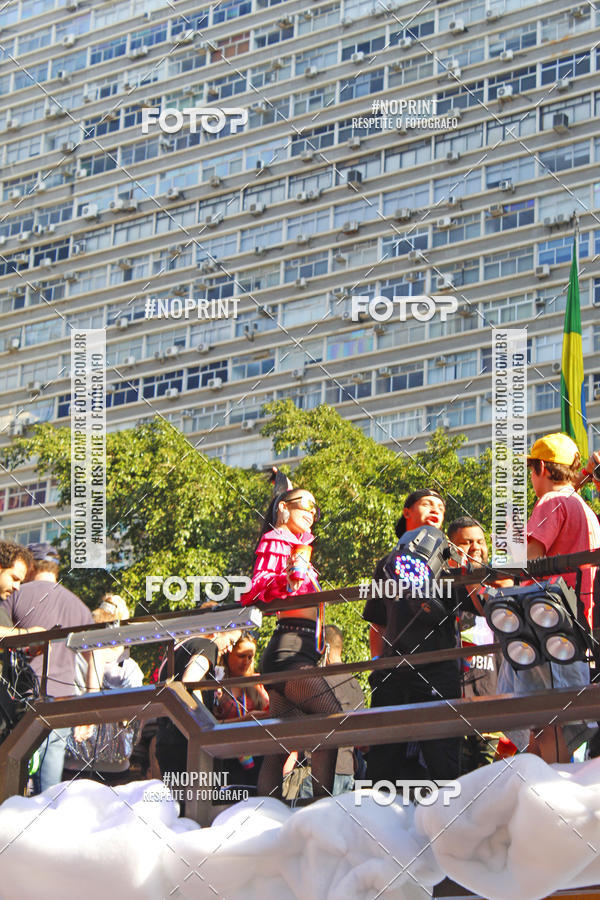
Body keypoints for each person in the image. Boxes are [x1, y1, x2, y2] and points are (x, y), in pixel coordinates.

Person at [364, 489, 479, 784]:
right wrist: (377, 663)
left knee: (442, 758)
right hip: (393, 670)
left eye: (441, 506)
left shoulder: (451, 559)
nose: (436, 509)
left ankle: (449, 823)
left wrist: (473, 567)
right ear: (407, 512)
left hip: (438, 669)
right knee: (382, 760)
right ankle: (377, 822)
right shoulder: (390, 562)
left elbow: (481, 604)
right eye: (427, 503)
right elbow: (377, 623)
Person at [497, 433, 600, 763]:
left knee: (546, 716)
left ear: (540, 467)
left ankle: (552, 797)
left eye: (532, 471)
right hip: (580, 622)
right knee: (555, 718)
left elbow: (529, 560)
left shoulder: (551, 503)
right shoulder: (586, 509)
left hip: (549, 623)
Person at [241, 469, 343, 799]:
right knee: (332, 719)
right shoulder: (278, 540)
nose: (312, 513)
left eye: (315, 508)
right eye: (304, 505)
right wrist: (288, 576)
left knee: (281, 743)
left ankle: (272, 810)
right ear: (284, 508)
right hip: (289, 649)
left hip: (299, 649)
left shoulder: (298, 548)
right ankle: (322, 807)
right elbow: (256, 589)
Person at [0, 542, 99, 793]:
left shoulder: (15, 594)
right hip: (62, 705)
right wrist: (89, 710)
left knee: (14, 776)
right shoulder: (81, 607)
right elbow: (93, 661)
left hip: (21, 702)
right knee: (50, 786)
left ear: (31, 568)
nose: (17, 584)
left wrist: (25, 635)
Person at [447, 517, 511, 772]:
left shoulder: (497, 583)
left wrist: (475, 582)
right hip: (454, 707)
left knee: (492, 785)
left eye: (480, 541)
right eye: (467, 542)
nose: (476, 547)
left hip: (492, 706)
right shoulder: (444, 587)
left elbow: (493, 610)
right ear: (451, 548)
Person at [64, 593, 143, 785]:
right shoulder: (130, 668)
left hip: (73, 758)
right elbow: (134, 718)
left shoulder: (73, 657)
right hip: (114, 763)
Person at [155, 628, 240, 781]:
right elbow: (188, 685)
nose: (230, 648)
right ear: (216, 632)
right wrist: (204, 720)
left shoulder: (180, 648)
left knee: (177, 800)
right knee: (197, 800)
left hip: (167, 740)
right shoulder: (208, 645)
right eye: (230, 641)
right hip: (187, 744)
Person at [213, 632, 269, 793]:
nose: (247, 661)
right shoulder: (217, 685)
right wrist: (244, 720)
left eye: (250, 657)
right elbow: (208, 723)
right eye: (241, 656)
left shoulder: (257, 683)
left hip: (257, 754)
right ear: (228, 654)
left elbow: (270, 712)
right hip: (227, 758)